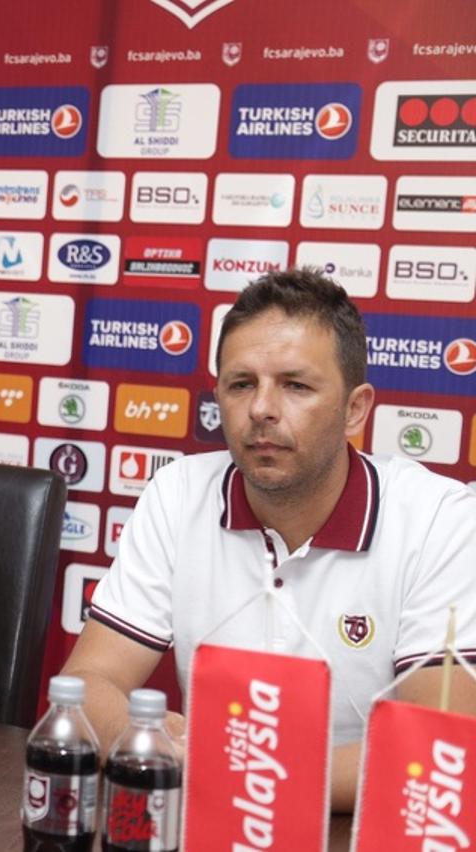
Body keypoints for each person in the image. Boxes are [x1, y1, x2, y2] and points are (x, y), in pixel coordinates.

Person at [61, 267, 476, 811]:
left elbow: (438, 746)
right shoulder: (178, 493)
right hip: (208, 821)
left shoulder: (439, 519)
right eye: (242, 384)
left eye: (295, 385)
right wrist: (149, 743)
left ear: (355, 408)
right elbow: (86, 683)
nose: (261, 409)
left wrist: (237, 772)